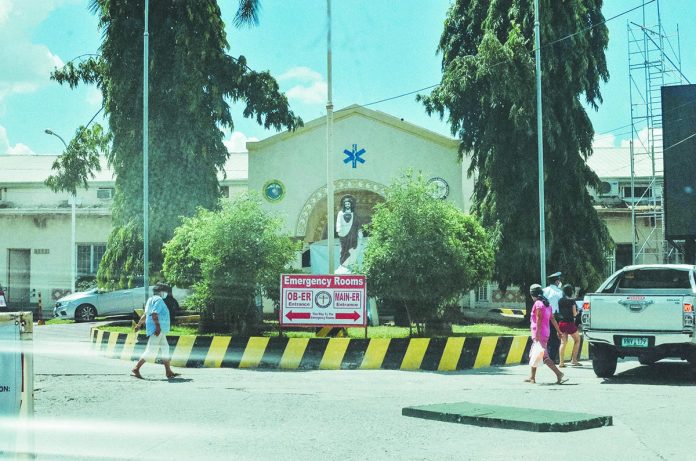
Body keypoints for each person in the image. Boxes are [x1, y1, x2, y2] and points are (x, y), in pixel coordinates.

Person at [131, 283, 180, 379]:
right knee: (151, 350)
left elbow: (145, 315)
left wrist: (139, 325)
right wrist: (158, 327)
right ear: (161, 292)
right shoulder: (159, 300)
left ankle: (168, 371)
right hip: (158, 329)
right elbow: (154, 314)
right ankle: (136, 368)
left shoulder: (150, 300)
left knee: (165, 348)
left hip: (159, 330)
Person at [526, 284, 566, 384]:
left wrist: (538, 335)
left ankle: (559, 374)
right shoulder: (547, 304)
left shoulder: (538, 304)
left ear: (532, 295)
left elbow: (539, 319)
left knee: (543, 356)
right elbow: (552, 318)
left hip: (540, 334)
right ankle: (532, 377)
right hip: (544, 333)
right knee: (534, 354)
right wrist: (558, 331)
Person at [558, 284, 582, 367]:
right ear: (571, 291)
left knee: (563, 343)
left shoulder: (560, 300)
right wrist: (578, 312)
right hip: (569, 323)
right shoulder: (572, 301)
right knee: (577, 340)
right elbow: (575, 314)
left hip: (561, 323)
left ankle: (561, 362)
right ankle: (574, 360)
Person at [543, 271, 563, 363]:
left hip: (545, 317)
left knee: (546, 336)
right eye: (559, 280)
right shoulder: (560, 292)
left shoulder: (544, 291)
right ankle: (552, 358)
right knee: (555, 338)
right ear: (556, 282)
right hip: (556, 317)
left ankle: (546, 356)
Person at [336, 195, 360, 267]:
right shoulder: (340, 213)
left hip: (352, 234)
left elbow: (358, 223)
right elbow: (338, 222)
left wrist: (359, 231)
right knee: (343, 248)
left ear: (351, 205)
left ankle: (350, 262)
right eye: (346, 204)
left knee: (351, 248)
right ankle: (343, 263)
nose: (347, 205)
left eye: (348, 204)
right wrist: (339, 229)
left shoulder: (353, 214)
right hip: (343, 234)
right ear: (344, 205)